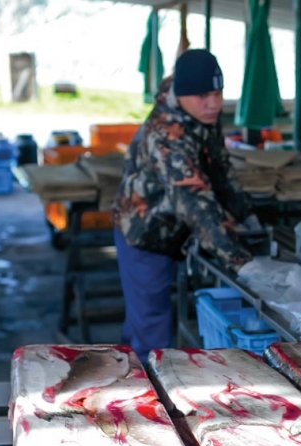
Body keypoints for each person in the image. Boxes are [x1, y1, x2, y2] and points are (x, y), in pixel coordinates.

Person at [112, 49, 259, 362]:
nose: (214, 104)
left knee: (146, 319)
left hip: (175, 227)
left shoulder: (202, 114)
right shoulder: (167, 135)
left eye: (218, 94)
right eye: (204, 96)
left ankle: (136, 368)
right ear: (183, 94)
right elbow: (193, 200)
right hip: (145, 233)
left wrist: (247, 214)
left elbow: (219, 168)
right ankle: (147, 400)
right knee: (152, 329)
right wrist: (240, 260)